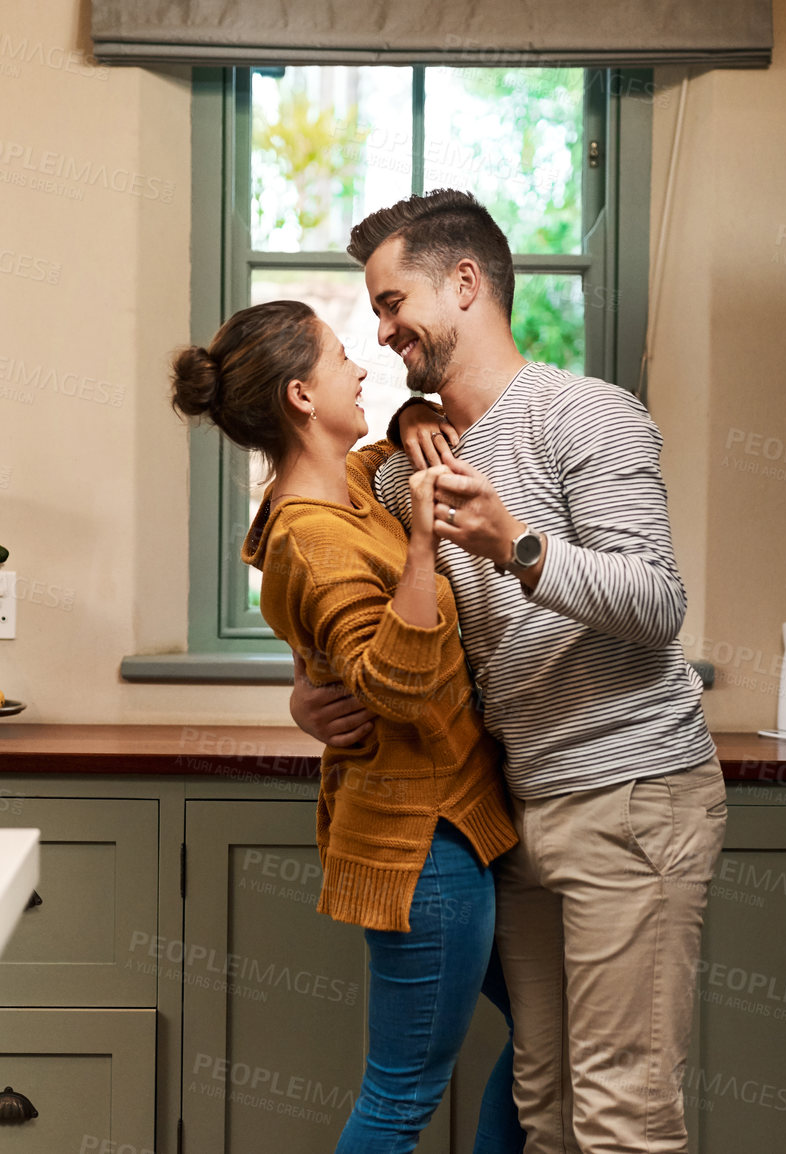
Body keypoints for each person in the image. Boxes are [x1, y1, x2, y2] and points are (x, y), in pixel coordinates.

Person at [290, 189, 727, 1154]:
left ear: (466, 282)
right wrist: (308, 692)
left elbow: (657, 603)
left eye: (395, 301)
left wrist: (515, 543)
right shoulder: (411, 464)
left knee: (624, 1114)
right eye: (375, 310)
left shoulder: (589, 413)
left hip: (631, 795)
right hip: (520, 811)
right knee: (546, 1104)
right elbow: (310, 533)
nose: (383, 326)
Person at [170, 299, 525, 1154]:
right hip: (420, 847)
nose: (362, 366)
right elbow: (396, 688)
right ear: (300, 395)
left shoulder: (345, 486)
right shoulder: (313, 534)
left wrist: (409, 417)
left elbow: (377, 459)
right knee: (400, 1098)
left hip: (446, 827)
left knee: (549, 1042)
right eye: (339, 358)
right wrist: (423, 548)